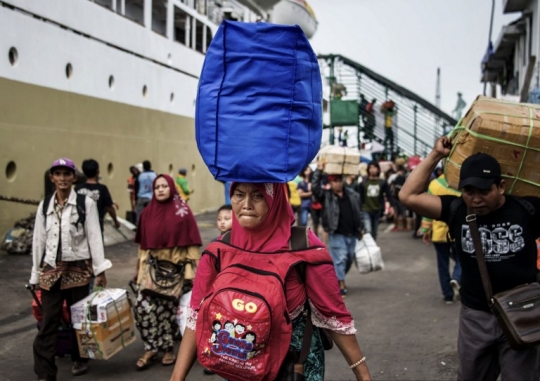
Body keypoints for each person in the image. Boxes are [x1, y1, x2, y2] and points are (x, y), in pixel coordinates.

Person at [170, 182, 371, 381]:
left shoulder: (304, 248)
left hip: (293, 368)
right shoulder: (218, 250)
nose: (246, 204)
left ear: (275, 201)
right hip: (240, 366)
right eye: (239, 194)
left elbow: (333, 316)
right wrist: (177, 378)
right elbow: (196, 315)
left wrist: (362, 375)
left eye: (258, 196)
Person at [399, 138, 540, 381]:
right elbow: (408, 195)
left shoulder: (527, 209)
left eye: (485, 191)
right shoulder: (456, 210)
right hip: (476, 316)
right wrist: (435, 155)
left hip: (523, 313)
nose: (476, 199)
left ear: (501, 187)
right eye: (469, 191)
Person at [30, 158, 112, 381]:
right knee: (49, 322)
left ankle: (79, 358)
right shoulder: (44, 205)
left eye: (67, 174)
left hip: (79, 270)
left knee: (79, 319)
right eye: (58, 174)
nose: (63, 178)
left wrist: (100, 270)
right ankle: (45, 373)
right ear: (52, 178)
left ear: (74, 178)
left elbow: (94, 237)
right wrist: (35, 276)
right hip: (51, 271)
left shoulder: (85, 204)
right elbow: (39, 241)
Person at [133, 174, 202, 370]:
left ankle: (168, 349)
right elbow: (143, 246)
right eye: (157, 187)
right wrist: (138, 270)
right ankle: (150, 348)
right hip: (152, 271)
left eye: (164, 186)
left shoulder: (183, 212)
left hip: (176, 272)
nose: (161, 189)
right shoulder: (147, 213)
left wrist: (198, 274)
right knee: (142, 308)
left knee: (166, 312)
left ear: (171, 188)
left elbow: (192, 245)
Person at [312, 168, 364, 298]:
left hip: (352, 233)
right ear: (330, 183)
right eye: (335, 181)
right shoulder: (326, 195)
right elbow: (315, 188)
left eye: (339, 181)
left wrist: (361, 227)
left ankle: (337, 277)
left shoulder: (352, 194)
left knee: (349, 258)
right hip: (336, 233)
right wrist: (319, 170)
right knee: (340, 259)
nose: (338, 184)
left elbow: (359, 212)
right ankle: (341, 284)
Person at [418, 173, 462, 304]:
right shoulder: (461, 184)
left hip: (439, 232)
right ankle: (457, 278)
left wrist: (425, 229)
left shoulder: (434, 184)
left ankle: (448, 295)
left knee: (442, 264)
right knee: (462, 260)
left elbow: (427, 208)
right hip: (457, 231)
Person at [75, 159, 120, 233]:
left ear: (83, 172)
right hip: (96, 228)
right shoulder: (102, 189)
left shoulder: (77, 188)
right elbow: (109, 208)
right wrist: (116, 221)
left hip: (80, 228)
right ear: (97, 172)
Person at [358, 161, 395, 241]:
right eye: (371, 167)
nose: (373, 170)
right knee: (368, 230)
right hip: (365, 209)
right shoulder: (363, 183)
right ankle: (369, 248)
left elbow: (389, 195)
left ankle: (372, 248)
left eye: (375, 167)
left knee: (374, 232)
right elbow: (359, 197)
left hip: (377, 209)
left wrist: (392, 206)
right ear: (368, 169)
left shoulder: (382, 182)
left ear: (378, 169)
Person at [136, 160, 157, 225]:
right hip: (152, 197)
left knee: (139, 214)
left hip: (141, 197)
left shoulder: (140, 176)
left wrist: (136, 199)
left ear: (143, 167)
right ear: (150, 166)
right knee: (152, 214)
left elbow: (137, 187)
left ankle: (139, 226)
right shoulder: (155, 175)